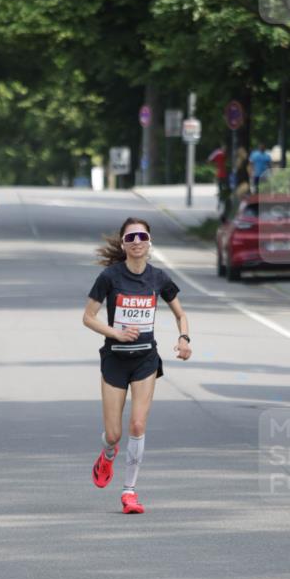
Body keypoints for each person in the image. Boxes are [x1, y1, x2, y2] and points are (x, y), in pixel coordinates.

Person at [83, 217, 192, 515]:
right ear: (123, 244)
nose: (136, 241)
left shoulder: (158, 278)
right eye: (130, 238)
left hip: (145, 359)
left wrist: (184, 338)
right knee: (114, 434)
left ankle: (129, 492)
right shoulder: (110, 277)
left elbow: (180, 314)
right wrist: (115, 333)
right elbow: (88, 317)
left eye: (141, 236)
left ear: (149, 242)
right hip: (115, 359)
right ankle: (107, 453)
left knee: (138, 424)